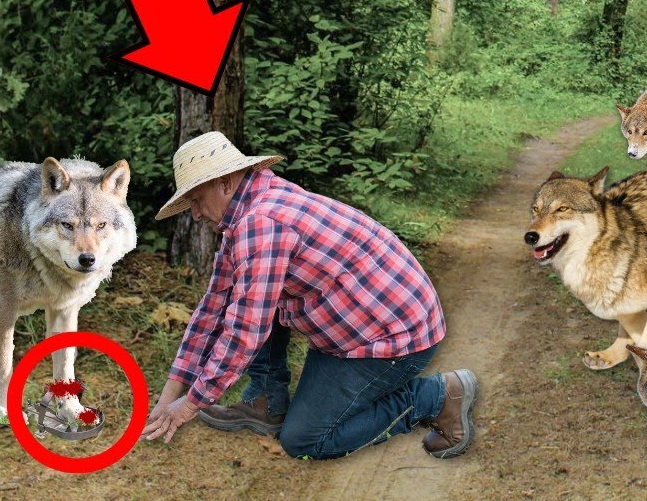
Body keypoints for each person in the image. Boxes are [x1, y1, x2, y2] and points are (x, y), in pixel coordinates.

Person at [141, 131, 477, 460]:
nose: (195, 214)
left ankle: (435, 396)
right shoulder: (248, 211)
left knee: (305, 439)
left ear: (225, 184)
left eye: (196, 200)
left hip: (394, 337)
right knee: (249, 296)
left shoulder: (261, 222)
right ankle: (266, 401)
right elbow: (214, 308)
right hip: (360, 325)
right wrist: (167, 398)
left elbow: (245, 332)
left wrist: (189, 405)